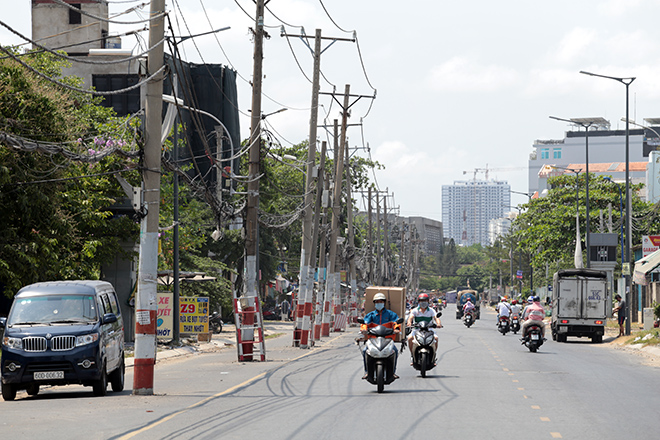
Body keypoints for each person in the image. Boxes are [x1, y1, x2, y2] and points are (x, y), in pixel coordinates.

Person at [360, 292, 400, 380]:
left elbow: (396, 323)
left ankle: (393, 372)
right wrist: (363, 330)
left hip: (387, 339)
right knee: (364, 351)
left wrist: (396, 329)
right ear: (374, 303)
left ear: (384, 303)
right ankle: (367, 372)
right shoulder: (370, 315)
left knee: (395, 351)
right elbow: (365, 324)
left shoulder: (390, 314)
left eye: (381, 302)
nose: (379, 304)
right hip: (373, 340)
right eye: (377, 302)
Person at [407, 293, 442, 357]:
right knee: (409, 338)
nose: (423, 302)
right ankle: (412, 355)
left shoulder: (431, 310)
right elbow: (410, 318)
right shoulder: (415, 310)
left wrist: (438, 324)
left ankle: (433, 355)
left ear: (428, 301)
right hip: (417, 330)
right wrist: (409, 323)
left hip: (429, 330)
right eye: (421, 301)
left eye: (425, 301)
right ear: (419, 302)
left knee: (436, 338)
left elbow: (436, 318)